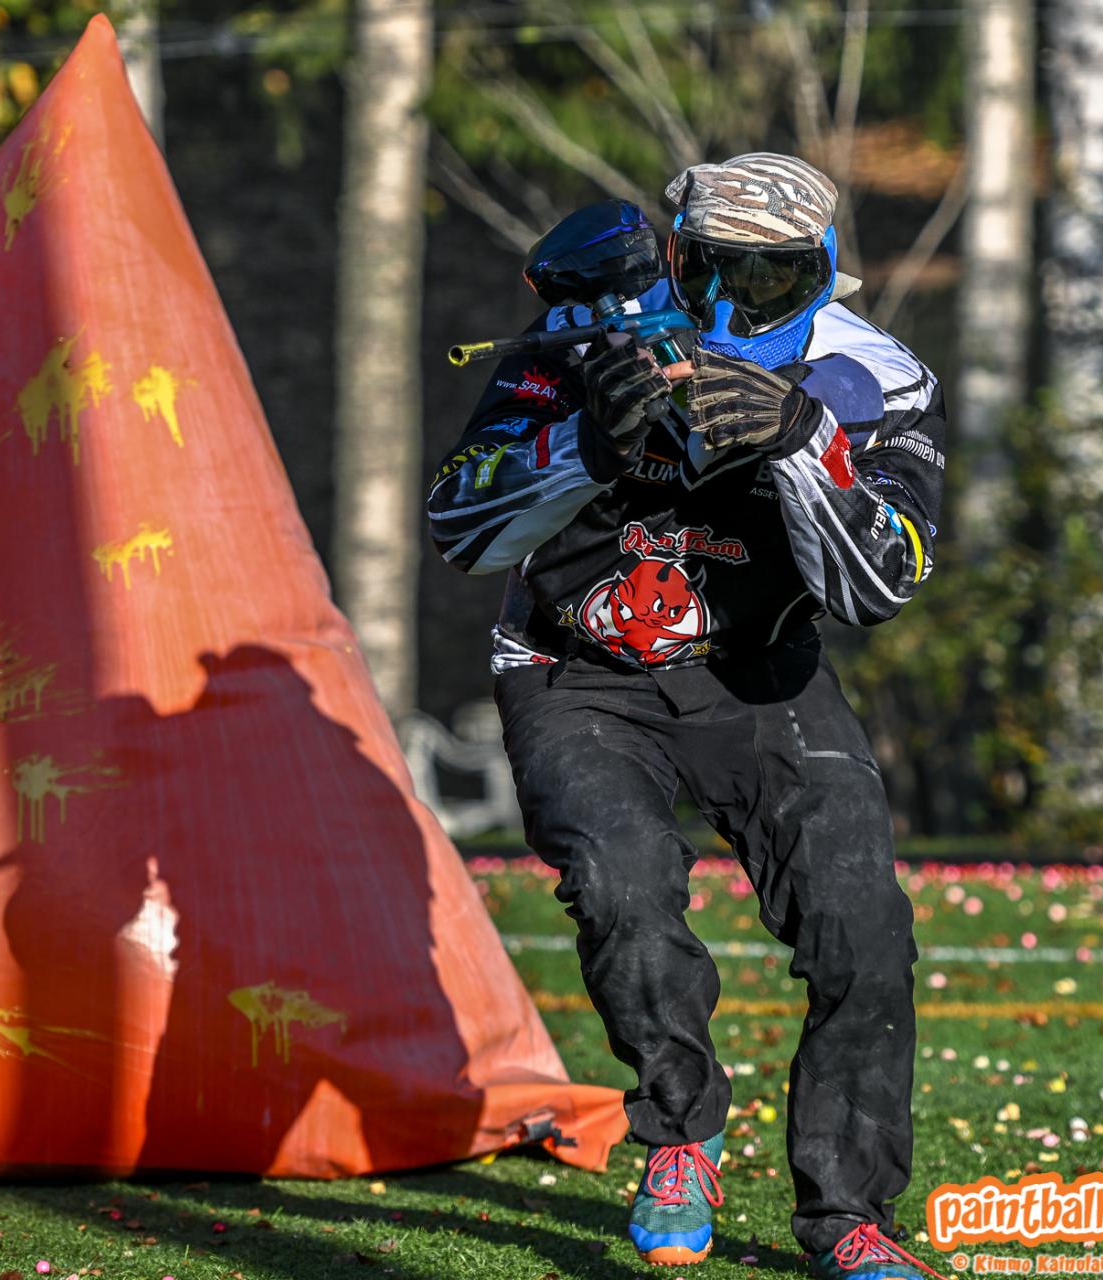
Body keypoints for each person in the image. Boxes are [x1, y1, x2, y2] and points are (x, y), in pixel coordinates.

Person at [428, 153, 946, 1277]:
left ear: (820, 272)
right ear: (672, 256)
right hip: (574, 663)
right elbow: (460, 525)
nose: (727, 306)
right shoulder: (585, 336)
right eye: (707, 272)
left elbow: (879, 587)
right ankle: (680, 1127)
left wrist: (801, 441)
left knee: (860, 923)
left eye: (766, 280)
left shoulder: (874, 379)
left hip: (758, 671)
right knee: (618, 882)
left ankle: (848, 1216)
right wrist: (586, 443)